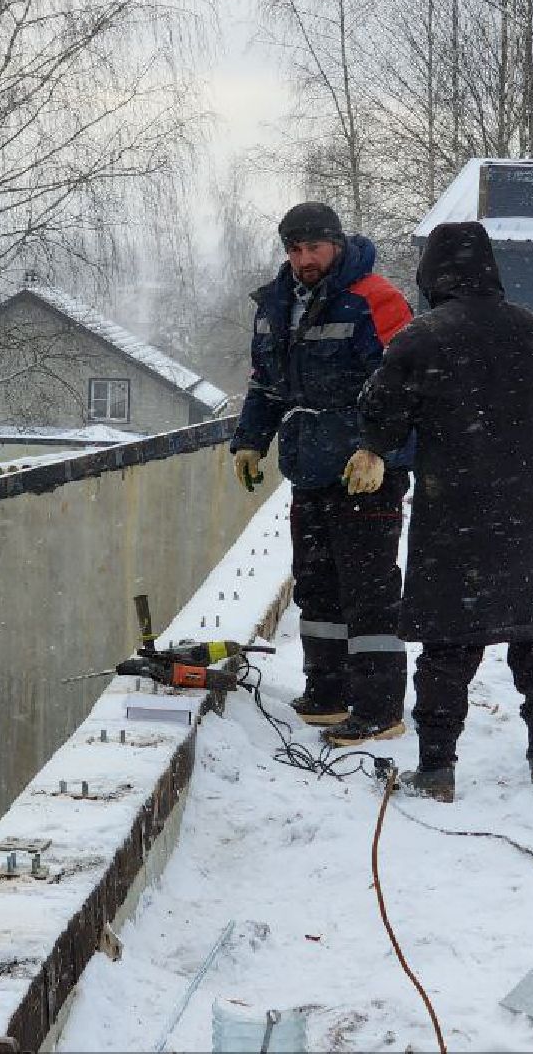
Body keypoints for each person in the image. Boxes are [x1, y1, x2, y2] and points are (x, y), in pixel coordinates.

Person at [345, 220, 533, 799]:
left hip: (450, 518)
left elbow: (381, 412)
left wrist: (373, 447)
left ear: (433, 275)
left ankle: (436, 768)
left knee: (449, 647)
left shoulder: (421, 338)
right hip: (527, 517)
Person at [230, 201, 416, 747]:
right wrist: (250, 440)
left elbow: (403, 384)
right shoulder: (274, 306)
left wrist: (376, 448)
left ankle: (380, 708)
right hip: (310, 466)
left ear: (336, 244)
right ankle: (328, 694)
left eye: (314, 247)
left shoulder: (374, 299)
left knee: (369, 589)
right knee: (317, 584)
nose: (304, 258)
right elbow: (266, 384)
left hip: (367, 472)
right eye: (294, 248)